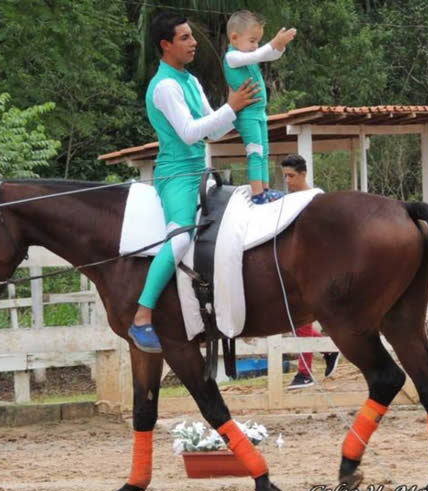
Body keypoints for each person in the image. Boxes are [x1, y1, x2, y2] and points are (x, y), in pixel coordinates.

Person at [128, 12, 261, 353]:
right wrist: (230, 106)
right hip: (177, 177)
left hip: (200, 172)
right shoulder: (166, 87)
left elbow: (213, 131)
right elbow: (189, 134)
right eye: (185, 38)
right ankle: (142, 315)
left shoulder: (190, 81)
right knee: (179, 237)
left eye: (191, 36)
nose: (193, 43)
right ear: (165, 45)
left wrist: (238, 110)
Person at [223, 10, 296, 204]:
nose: (255, 46)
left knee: (264, 151)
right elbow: (262, 53)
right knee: (255, 151)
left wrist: (279, 46)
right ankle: (257, 193)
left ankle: (264, 188)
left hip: (259, 113)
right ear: (235, 37)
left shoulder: (250, 56)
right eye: (253, 40)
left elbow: (270, 55)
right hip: (247, 114)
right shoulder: (232, 58)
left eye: (258, 42)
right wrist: (272, 44)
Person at [281, 154, 339, 389]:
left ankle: (306, 372)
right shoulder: (288, 200)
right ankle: (327, 348)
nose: (287, 181)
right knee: (296, 322)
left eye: (291, 176)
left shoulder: (317, 198)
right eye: (285, 176)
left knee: (300, 320)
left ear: (304, 174)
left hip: (314, 270)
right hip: (295, 267)